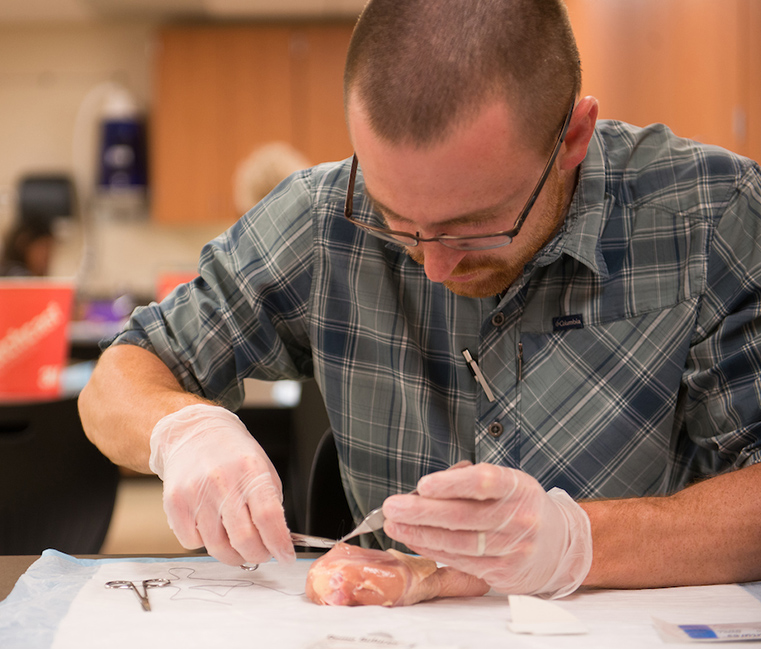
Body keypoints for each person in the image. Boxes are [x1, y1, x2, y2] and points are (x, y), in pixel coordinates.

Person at [79, 0, 761, 599]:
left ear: (571, 138)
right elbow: (117, 380)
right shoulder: (321, 218)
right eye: (395, 218)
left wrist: (577, 541)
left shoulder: (709, 218)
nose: (434, 265)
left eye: (475, 224)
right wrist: (181, 432)